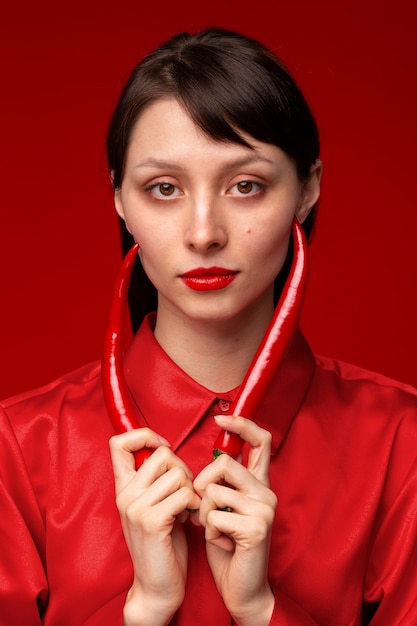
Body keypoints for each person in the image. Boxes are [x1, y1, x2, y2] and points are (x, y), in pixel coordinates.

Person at [1, 26, 417, 626]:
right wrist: (141, 612)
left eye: (245, 186)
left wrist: (264, 610)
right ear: (120, 197)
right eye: (163, 188)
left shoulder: (400, 445)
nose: (203, 233)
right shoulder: (18, 449)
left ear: (307, 190)